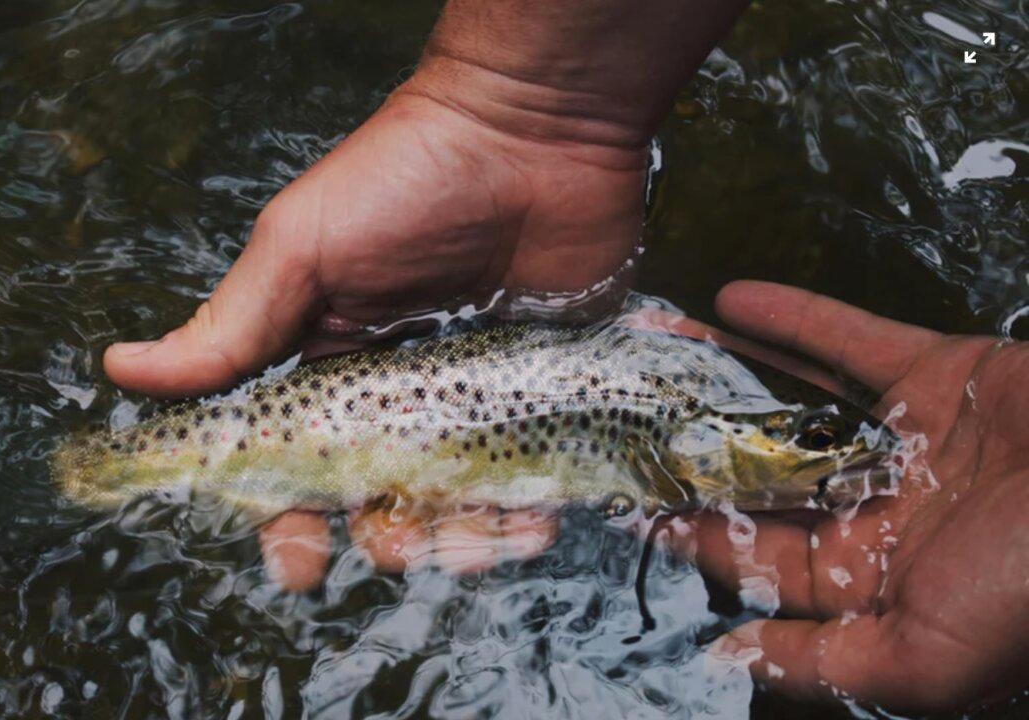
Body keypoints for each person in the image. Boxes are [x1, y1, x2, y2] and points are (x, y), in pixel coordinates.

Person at [99, 1, 1029, 713]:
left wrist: (520, 104)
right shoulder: (680, 427)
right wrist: (513, 108)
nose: (843, 453)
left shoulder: (675, 428)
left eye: (821, 443)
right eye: (815, 440)